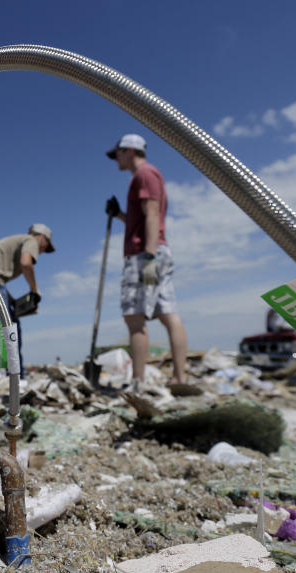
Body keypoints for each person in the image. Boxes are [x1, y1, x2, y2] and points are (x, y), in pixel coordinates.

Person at [105, 133, 188, 387]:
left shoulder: (145, 174)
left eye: (117, 153)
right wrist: (119, 214)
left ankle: (139, 382)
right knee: (167, 313)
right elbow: (141, 220)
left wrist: (149, 256)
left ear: (129, 151)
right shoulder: (145, 176)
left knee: (134, 317)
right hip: (154, 251)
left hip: (145, 255)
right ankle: (178, 378)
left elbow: (152, 215)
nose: (115, 159)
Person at [0, 224, 55, 386]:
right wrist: (34, 289)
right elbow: (26, 263)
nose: (42, 251)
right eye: (46, 247)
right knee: (1, 328)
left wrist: (13, 301)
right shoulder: (31, 240)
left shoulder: (19, 240)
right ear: (43, 238)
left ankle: (12, 376)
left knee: (11, 325)